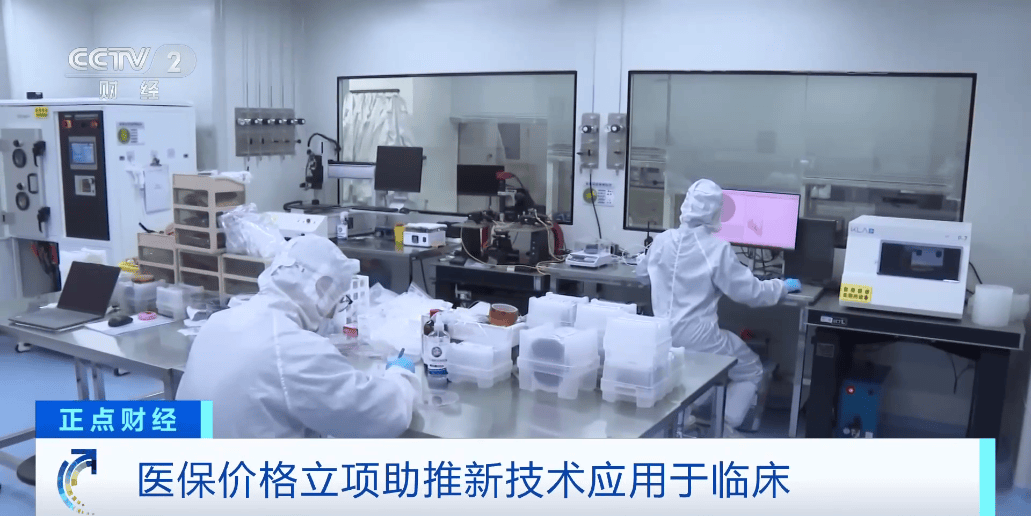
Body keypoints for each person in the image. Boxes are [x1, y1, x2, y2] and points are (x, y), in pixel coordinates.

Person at [176, 235, 420, 438]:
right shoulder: (292, 348)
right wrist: (400, 373)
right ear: (321, 288)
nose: (329, 311)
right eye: (334, 300)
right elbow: (381, 416)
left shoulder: (218, 322)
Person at [636, 179, 801, 437]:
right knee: (751, 369)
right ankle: (724, 429)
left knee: (683, 374)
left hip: (661, 336)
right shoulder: (716, 249)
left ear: (685, 205)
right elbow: (752, 293)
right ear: (715, 211)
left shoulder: (662, 240)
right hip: (700, 337)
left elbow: (642, 274)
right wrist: (781, 286)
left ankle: (684, 419)